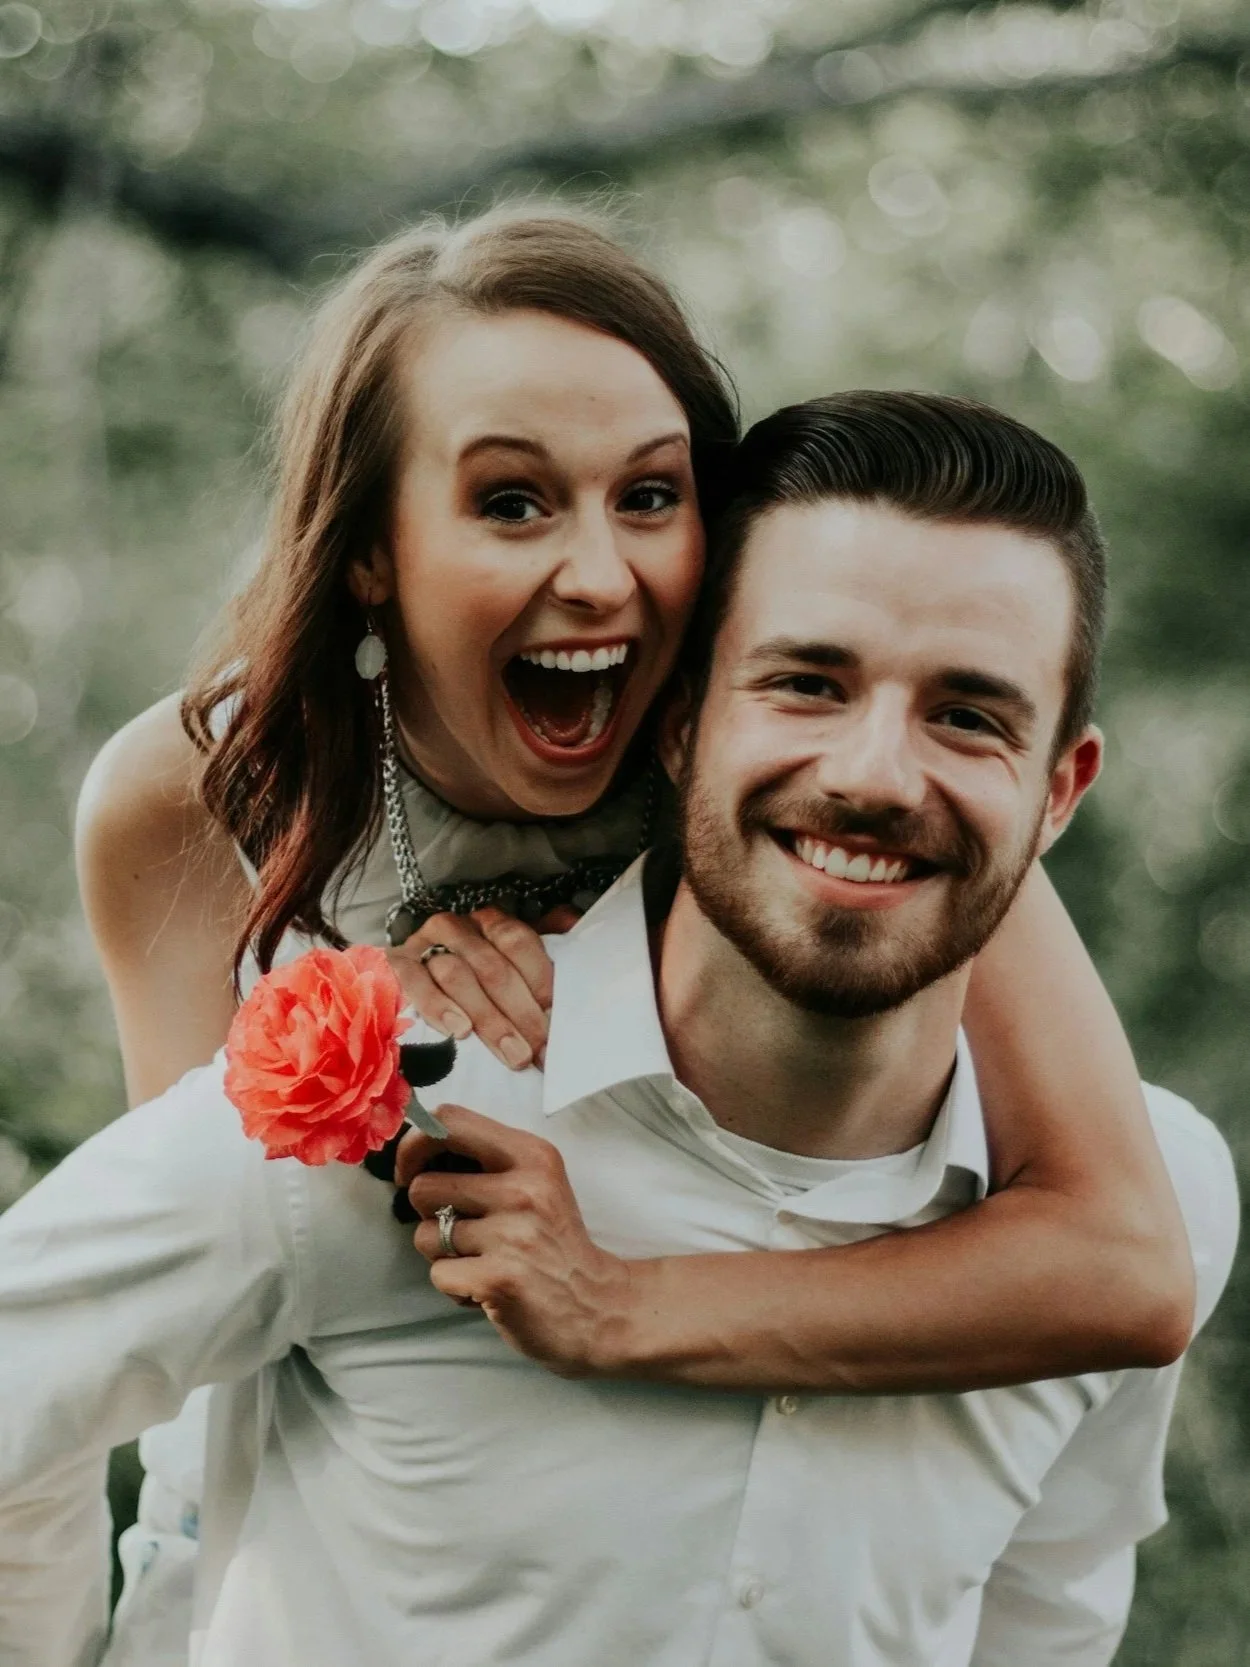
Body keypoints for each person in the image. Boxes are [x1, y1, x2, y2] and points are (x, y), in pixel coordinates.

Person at [72, 211, 1189, 1656]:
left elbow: (1123, 1259)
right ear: (368, 548)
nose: (601, 575)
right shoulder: (191, 794)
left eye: (651, 497)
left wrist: (623, 1302)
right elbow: (183, 1284)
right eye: (514, 504)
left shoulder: (823, 782)